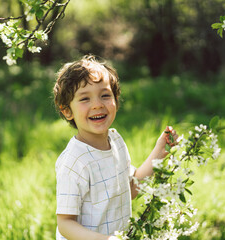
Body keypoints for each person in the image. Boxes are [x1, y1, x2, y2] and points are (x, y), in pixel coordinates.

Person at [53, 55, 178, 240]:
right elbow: (65, 224)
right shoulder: (74, 161)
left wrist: (159, 152)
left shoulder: (116, 141)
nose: (97, 105)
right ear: (67, 110)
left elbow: (130, 188)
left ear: (116, 101)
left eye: (105, 95)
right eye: (85, 99)